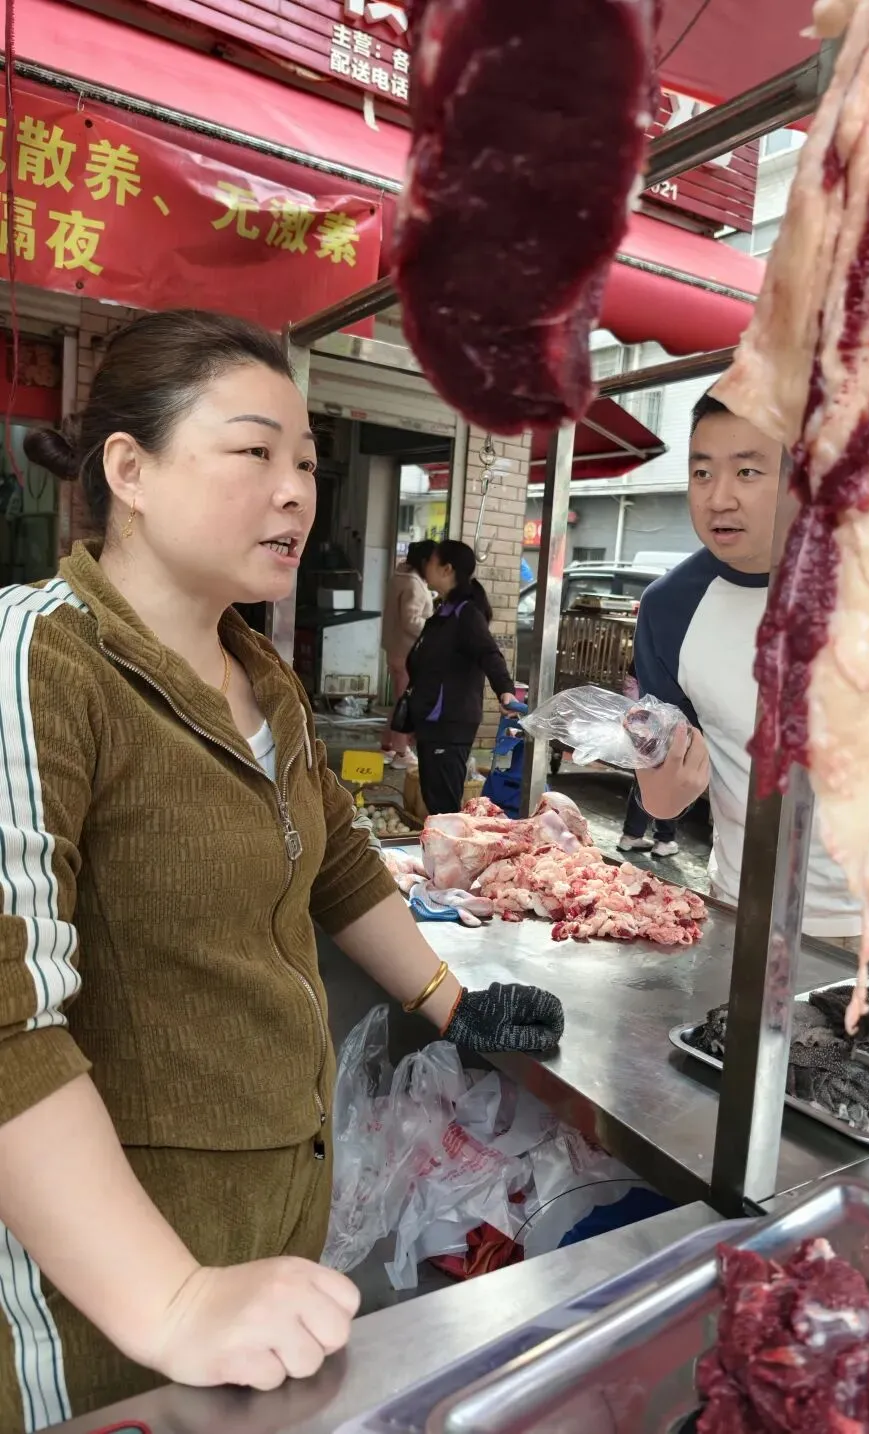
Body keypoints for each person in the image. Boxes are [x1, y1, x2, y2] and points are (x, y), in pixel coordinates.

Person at [1, 309, 563, 1432]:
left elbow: (338, 863)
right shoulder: (38, 660)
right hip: (109, 1291)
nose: (297, 491)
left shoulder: (264, 677)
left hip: (270, 1223)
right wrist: (168, 1298)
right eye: (253, 451)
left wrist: (449, 999)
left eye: (306, 462)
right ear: (131, 470)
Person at [634, 391, 869, 989]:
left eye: (748, 470)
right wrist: (657, 796)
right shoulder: (668, 607)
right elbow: (661, 761)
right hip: (744, 914)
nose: (718, 496)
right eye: (702, 471)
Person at [407, 539, 517, 815]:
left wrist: (505, 689)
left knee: (444, 807)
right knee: (435, 802)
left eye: (431, 561)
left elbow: (489, 653)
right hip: (431, 721)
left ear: (447, 569)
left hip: (449, 724)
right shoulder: (443, 612)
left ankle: (450, 856)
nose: (425, 566)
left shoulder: (466, 614)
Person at [381, 539, 435, 769]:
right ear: (424, 561)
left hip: (396, 650)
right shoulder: (413, 583)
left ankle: (388, 745)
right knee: (406, 704)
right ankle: (401, 752)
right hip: (407, 653)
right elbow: (410, 619)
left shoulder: (399, 577)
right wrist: (433, 627)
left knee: (399, 701)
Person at [618, 661, 679, 856]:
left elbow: (629, 689)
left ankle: (631, 836)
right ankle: (664, 839)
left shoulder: (643, 650)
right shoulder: (676, 651)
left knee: (644, 778)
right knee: (670, 779)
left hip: (643, 723)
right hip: (670, 722)